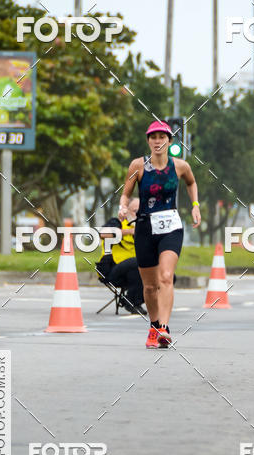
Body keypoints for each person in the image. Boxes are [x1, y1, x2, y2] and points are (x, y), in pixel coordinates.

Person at [118, 120, 201, 349]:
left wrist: (195, 205)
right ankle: (154, 326)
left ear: (169, 141)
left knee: (165, 276)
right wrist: (123, 207)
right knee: (150, 286)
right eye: (153, 137)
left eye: (161, 137)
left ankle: (164, 328)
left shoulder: (180, 166)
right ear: (148, 141)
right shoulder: (138, 165)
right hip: (145, 228)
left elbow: (191, 183)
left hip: (171, 227)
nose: (157, 141)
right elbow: (126, 194)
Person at [96, 198, 146, 315]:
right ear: (126, 211)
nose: (138, 215)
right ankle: (131, 301)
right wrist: (130, 231)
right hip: (112, 269)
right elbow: (103, 234)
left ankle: (134, 301)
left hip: (133, 272)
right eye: (135, 211)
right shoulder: (117, 222)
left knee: (165, 273)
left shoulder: (144, 228)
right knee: (138, 262)